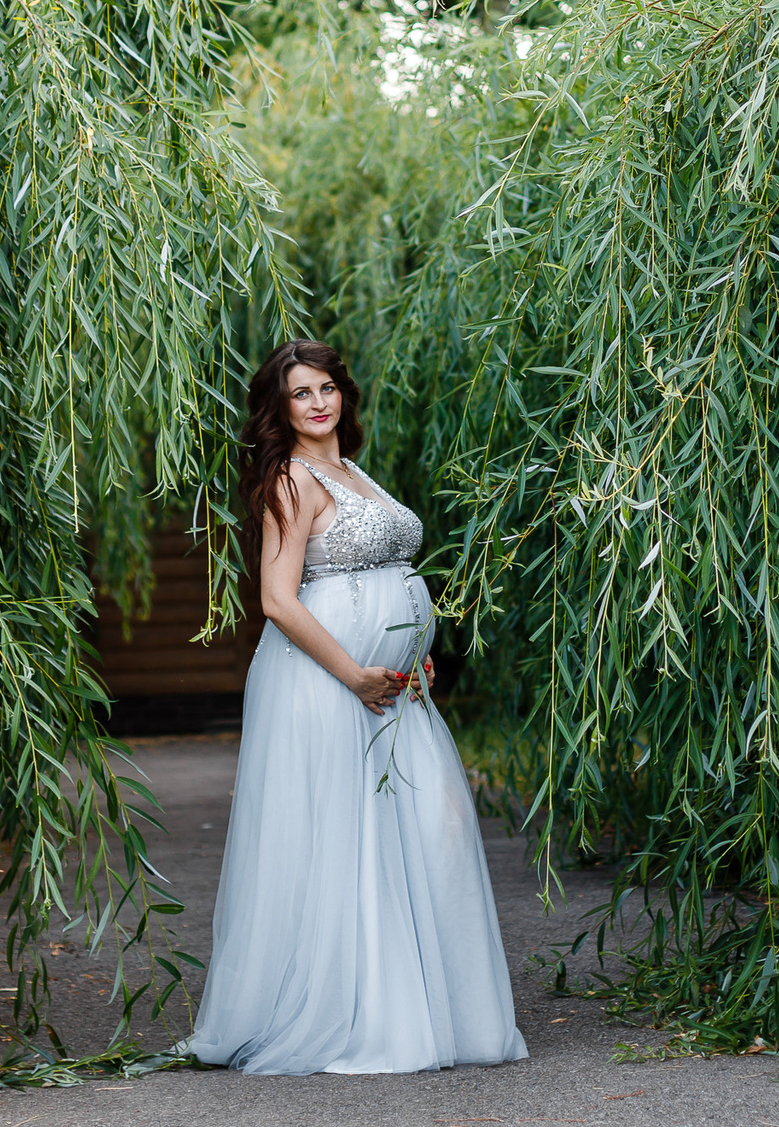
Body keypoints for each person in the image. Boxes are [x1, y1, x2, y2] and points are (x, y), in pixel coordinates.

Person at [180, 340, 529, 1074]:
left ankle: (443, 1010)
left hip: (396, 690)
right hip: (331, 687)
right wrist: (353, 673)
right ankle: (367, 1012)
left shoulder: (352, 471)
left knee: (432, 827)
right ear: (280, 408)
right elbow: (277, 598)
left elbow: (388, 574)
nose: (318, 402)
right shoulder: (289, 477)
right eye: (301, 393)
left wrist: (409, 650)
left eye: (328, 387)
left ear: (344, 394)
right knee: (353, 842)